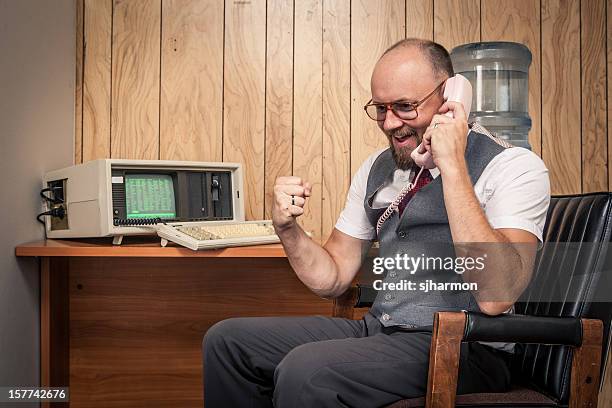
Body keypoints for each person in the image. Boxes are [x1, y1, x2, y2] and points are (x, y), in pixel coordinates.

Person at [202, 38, 550, 408]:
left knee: (307, 373)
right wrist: (287, 230)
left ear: (451, 96)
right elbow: (334, 276)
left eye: (404, 107)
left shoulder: (513, 167)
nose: (390, 123)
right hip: (381, 330)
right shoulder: (377, 168)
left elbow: (497, 296)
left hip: (465, 348)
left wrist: (453, 166)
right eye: (381, 108)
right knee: (227, 342)